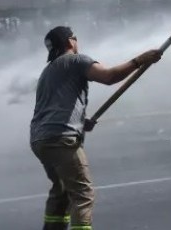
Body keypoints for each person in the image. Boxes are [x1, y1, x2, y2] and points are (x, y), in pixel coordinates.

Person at [30, 25, 162, 230]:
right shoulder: (76, 60)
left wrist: (81, 122)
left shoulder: (49, 71)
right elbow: (109, 77)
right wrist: (139, 60)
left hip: (40, 140)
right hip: (61, 139)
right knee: (83, 194)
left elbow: (55, 106)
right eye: (75, 38)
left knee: (62, 190)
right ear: (70, 42)